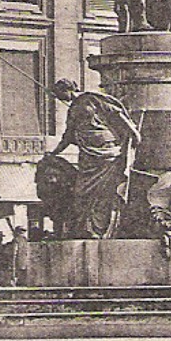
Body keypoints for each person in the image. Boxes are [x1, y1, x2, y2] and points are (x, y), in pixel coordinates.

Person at [50, 79, 141, 238]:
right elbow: (68, 135)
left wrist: (132, 130)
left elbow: (115, 112)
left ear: (68, 89)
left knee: (104, 193)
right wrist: (54, 153)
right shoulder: (72, 110)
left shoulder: (91, 98)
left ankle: (99, 229)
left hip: (106, 150)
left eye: (60, 94)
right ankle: (88, 228)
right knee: (81, 192)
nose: (59, 98)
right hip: (87, 155)